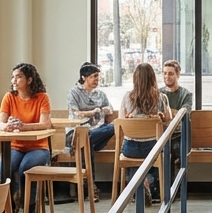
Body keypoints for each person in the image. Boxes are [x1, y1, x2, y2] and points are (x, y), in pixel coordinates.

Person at [0, 62, 52, 213]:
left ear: (29, 80)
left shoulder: (42, 97)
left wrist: (23, 126)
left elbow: (45, 124)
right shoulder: (9, 97)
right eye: (13, 77)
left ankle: (28, 211)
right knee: (4, 168)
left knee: (25, 169)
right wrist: (6, 126)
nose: (14, 80)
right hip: (15, 146)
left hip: (38, 147)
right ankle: (11, 206)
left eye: (19, 77)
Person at [119, 63, 173, 203]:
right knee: (158, 150)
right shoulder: (161, 98)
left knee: (133, 154)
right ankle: (149, 184)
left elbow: (121, 123)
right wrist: (159, 118)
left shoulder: (126, 97)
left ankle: (136, 187)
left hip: (130, 148)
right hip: (151, 148)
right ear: (152, 78)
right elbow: (169, 123)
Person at [67, 62, 117, 155]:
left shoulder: (100, 94)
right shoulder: (74, 93)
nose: (96, 79)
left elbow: (110, 109)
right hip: (78, 133)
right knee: (86, 143)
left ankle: (87, 141)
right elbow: (76, 113)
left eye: (97, 76)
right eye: (93, 76)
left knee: (116, 125)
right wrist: (93, 112)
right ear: (83, 77)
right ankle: (85, 142)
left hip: (97, 133)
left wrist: (104, 110)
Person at [160, 60, 193, 183]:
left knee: (178, 151)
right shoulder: (158, 93)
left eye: (170, 74)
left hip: (179, 134)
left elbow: (185, 112)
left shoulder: (186, 94)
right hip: (161, 134)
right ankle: (159, 189)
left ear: (178, 75)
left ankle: (177, 188)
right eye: (165, 73)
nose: (167, 77)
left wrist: (168, 116)